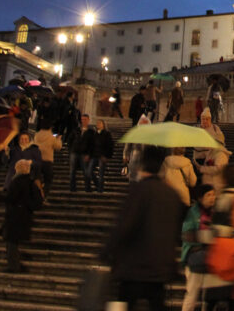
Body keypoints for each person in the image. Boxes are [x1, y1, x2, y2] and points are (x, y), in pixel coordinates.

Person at [101, 146, 182, 311]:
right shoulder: (172, 195)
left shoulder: (138, 190)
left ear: (141, 165)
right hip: (160, 269)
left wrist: (107, 252)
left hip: (134, 268)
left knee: (123, 306)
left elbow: (124, 225)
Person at [203, 164, 234, 311]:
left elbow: (216, 230)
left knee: (211, 303)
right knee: (233, 303)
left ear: (224, 178)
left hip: (221, 258)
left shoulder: (223, 199)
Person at [0, 159, 44, 273]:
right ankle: (16, 262)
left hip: (15, 215)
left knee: (11, 240)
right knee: (13, 239)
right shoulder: (30, 182)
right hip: (24, 215)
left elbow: (11, 198)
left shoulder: (17, 181)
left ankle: (14, 265)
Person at [181, 184, 216, 311]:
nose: (212, 198)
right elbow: (187, 235)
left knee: (208, 296)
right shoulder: (193, 212)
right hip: (195, 257)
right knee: (192, 293)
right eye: (208, 195)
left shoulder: (215, 213)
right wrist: (208, 236)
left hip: (211, 258)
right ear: (201, 198)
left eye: (213, 194)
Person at [34, 120, 62, 198]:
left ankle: (36, 194)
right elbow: (58, 147)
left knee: (37, 179)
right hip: (47, 161)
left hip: (37, 160)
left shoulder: (36, 135)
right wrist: (58, 139)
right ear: (50, 127)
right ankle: (43, 195)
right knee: (48, 180)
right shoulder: (51, 137)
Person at [67, 113, 95, 192]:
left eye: (85, 120)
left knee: (86, 171)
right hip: (74, 151)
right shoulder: (76, 130)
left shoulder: (91, 132)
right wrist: (70, 149)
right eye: (82, 120)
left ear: (88, 120)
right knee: (72, 171)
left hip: (84, 153)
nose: (83, 121)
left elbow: (92, 144)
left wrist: (89, 154)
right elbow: (69, 140)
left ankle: (87, 188)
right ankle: (72, 188)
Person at [89, 119, 114, 193]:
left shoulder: (107, 134)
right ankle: (98, 185)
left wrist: (106, 155)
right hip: (94, 155)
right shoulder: (95, 134)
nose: (98, 124)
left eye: (100, 123)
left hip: (102, 156)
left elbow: (110, 145)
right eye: (97, 123)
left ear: (103, 124)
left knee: (101, 173)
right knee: (89, 171)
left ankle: (100, 190)